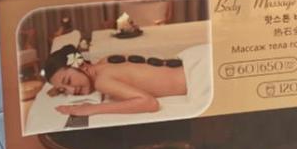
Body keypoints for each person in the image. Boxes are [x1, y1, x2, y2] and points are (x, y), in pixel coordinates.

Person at [42, 48, 188, 118]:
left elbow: (149, 103)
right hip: (187, 64)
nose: (72, 91)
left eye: (68, 81)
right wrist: (58, 88)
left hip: (191, 78)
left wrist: (90, 109)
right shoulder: (106, 61)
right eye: (63, 90)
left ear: (81, 65)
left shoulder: (101, 81)